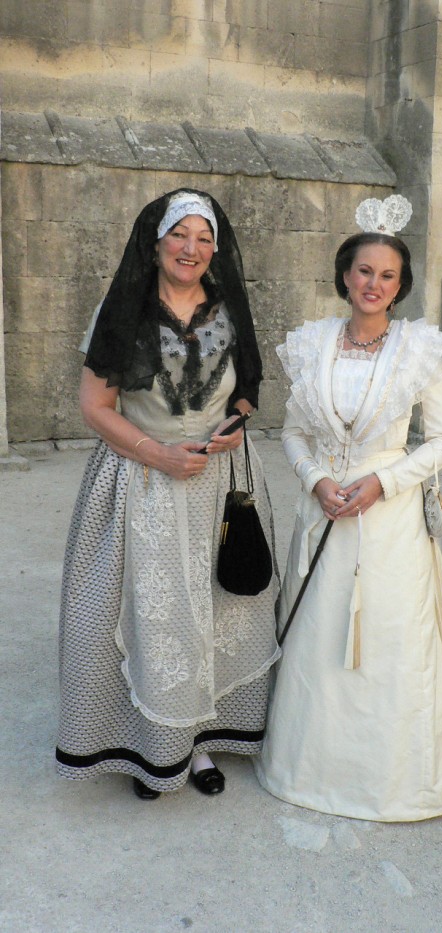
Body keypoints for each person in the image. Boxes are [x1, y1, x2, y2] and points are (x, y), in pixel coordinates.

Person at [56, 188, 280, 800]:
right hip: (141, 477)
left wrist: (236, 423)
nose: (192, 248)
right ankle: (149, 747)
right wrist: (157, 454)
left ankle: (202, 742)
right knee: (147, 616)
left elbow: (246, 390)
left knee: (218, 610)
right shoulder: (121, 307)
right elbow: (94, 406)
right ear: (154, 243)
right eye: (179, 235)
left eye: (204, 237)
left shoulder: (229, 306)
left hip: (219, 483)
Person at [255, 196, 442, 821]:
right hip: (323, 512)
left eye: (388, 275)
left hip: (389, 520)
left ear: (399, 286)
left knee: (389, 639)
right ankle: (308, 769)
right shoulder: (310, 343)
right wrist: (317, 479)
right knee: (319, 636)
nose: (374, 284)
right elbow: (292, 431)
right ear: (345, 275)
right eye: (364, 271)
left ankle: (395, 780)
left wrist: (384, 483)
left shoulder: (419, 350)